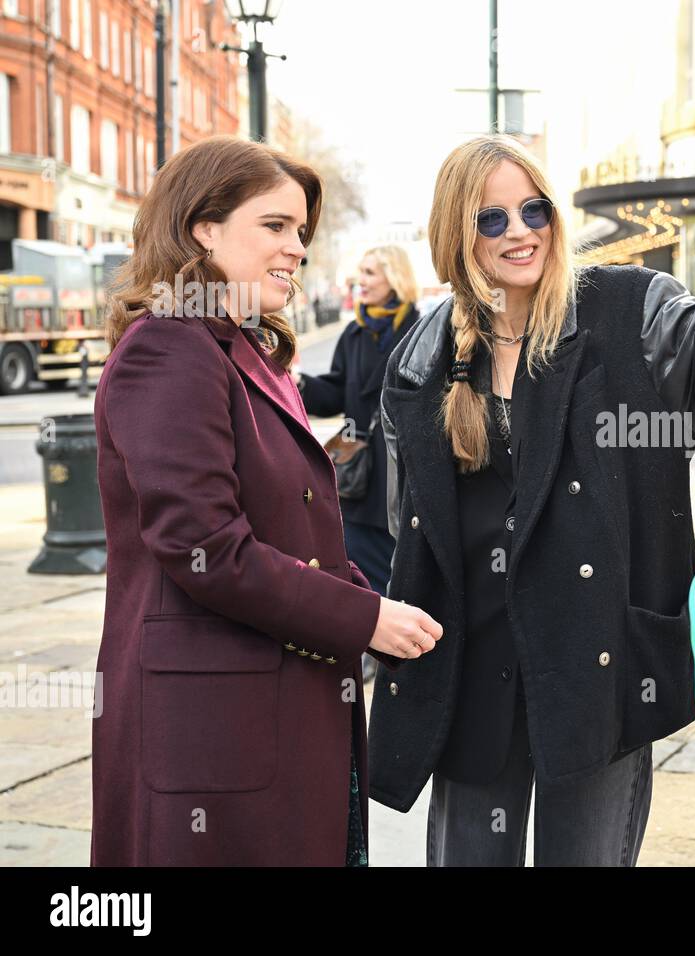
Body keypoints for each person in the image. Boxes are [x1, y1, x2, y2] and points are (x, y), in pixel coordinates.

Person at [369, 117, 695, 866]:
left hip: (595, 664)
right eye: (492, 218)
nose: (520, 232)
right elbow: (408, 521)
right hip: (471, 671)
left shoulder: (627, 311)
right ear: (457, 235)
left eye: (534, 209)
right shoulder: (421, 359)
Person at [91, 136, 441, 866]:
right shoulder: (170, 347)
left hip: (264, 715)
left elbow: (289, 530)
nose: (297, 249)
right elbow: (207, 550)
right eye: (275, 226)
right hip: (213, 733)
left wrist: (371, 603)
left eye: (302, 233)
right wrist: (363, 616)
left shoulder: (238, 347)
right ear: (203, 228)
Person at [295, 245, 420, 681]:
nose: (360, 281)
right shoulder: (352, 334)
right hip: (356, 467)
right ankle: (370, 641)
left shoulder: (418, 329)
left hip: (399, 464)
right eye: (359, 273)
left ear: (394, 277)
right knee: (357, 553)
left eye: (369, 273)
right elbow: (334, 392)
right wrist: (297, 381)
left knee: (397, 556)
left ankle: (403, 639)